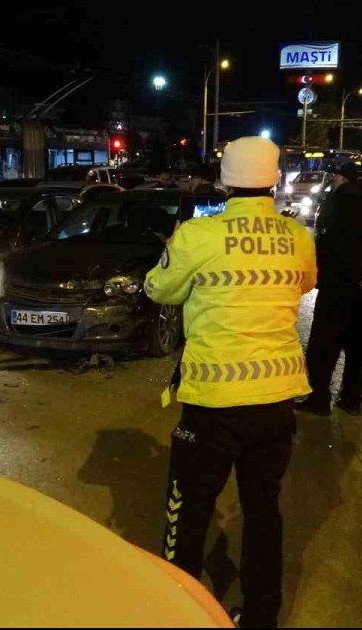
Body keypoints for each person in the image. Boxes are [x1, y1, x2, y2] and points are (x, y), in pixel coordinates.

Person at [145, 136, 316, 628]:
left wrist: (177, 246)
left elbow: (159, 289)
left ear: (222, 181)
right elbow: (304, 283)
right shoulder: (298, 237)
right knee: (264, 513)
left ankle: (180, 613)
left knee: (189, 512)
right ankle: (261, 617)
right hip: (277, 402)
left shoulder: (199, 235)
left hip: (213, 404)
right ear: (275, 180)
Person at [298, 169, 362, 417]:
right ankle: (351, 399)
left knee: (323, 346)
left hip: (336, 288)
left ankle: (319, 398)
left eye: (335, 178)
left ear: (342, 180)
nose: (332, 181)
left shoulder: (335, 205)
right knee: (356, 347)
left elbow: (326, 245)